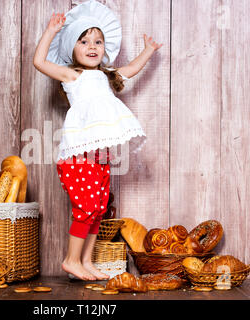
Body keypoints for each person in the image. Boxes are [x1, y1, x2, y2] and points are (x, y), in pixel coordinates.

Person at [33, 0, 163, 281]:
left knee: (99, 208)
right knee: (86, 208)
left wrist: (148, 51)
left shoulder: (106, 76)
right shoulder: (73, 75)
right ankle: (71, 260)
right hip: (78, 155)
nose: (92, 46)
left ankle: (86, 260)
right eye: (84, 41)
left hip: (100, 156)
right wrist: (50, 32)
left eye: (98, 41)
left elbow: (130, 69)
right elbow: (39, 62)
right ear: (72, 48)